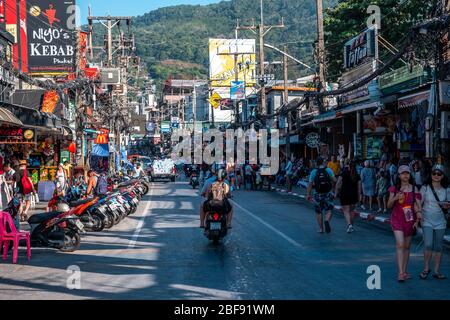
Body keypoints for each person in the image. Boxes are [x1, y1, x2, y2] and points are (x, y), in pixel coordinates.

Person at [387, 165, 422, 282]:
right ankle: (400, 273)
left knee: (407, 246)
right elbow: (389, 205)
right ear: (399, 175)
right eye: (403, 173)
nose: (405, 175)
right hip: (397, 219)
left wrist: (418, 219)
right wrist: (396, 197)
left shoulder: (414, 189)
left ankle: (404, 271)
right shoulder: (394, 188)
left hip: (410, 220)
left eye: (407, 173)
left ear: (410, 175)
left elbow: (417, 206)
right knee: (400, 244)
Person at [419, 164, 450, 280]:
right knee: (428, 244)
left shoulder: (447, 189)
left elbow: (448, 204)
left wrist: (447, 206)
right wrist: (418, 214)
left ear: (442, 176)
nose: (436, 176)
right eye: (434, 173)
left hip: (440, 221)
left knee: (438, 247)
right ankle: (426, 268)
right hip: (426, 220)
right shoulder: (425, 187)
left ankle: (436, 271)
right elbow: (419, 202)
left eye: (439, 174)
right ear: (431, 174)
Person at [306, 157, 337, 234]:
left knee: (318, 211)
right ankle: (326, 220)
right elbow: (335, 180)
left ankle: (321, 229)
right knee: (329, 210)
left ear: (316, 163)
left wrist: (308, 194)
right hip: (328, 193)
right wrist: (333, 189)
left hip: (317, 194)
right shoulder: (328, 170)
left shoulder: (314, 172)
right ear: (323, 162)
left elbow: (310, 184)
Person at [335, 159, 360, 233]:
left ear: (348, 165)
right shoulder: (357, 175)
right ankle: (351, 225)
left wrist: (336, 193)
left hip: (344, 194)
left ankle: (349, 225)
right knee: (352, 211)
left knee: (346, 211)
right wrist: (359, 197)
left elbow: (338, 184)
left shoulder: (343, 173)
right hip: (353, 195)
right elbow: (359, 188)